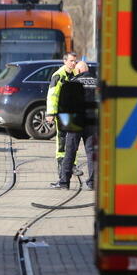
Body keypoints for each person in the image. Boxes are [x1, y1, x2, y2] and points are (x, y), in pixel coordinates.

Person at [47, 58, 98, 190]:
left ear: (79, 70)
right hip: (92, 122)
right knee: (92, 152)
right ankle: (93, 182)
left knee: (70, 151)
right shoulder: (98, 83)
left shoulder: (73, 82)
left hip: (76, 121)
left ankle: (64, 182)